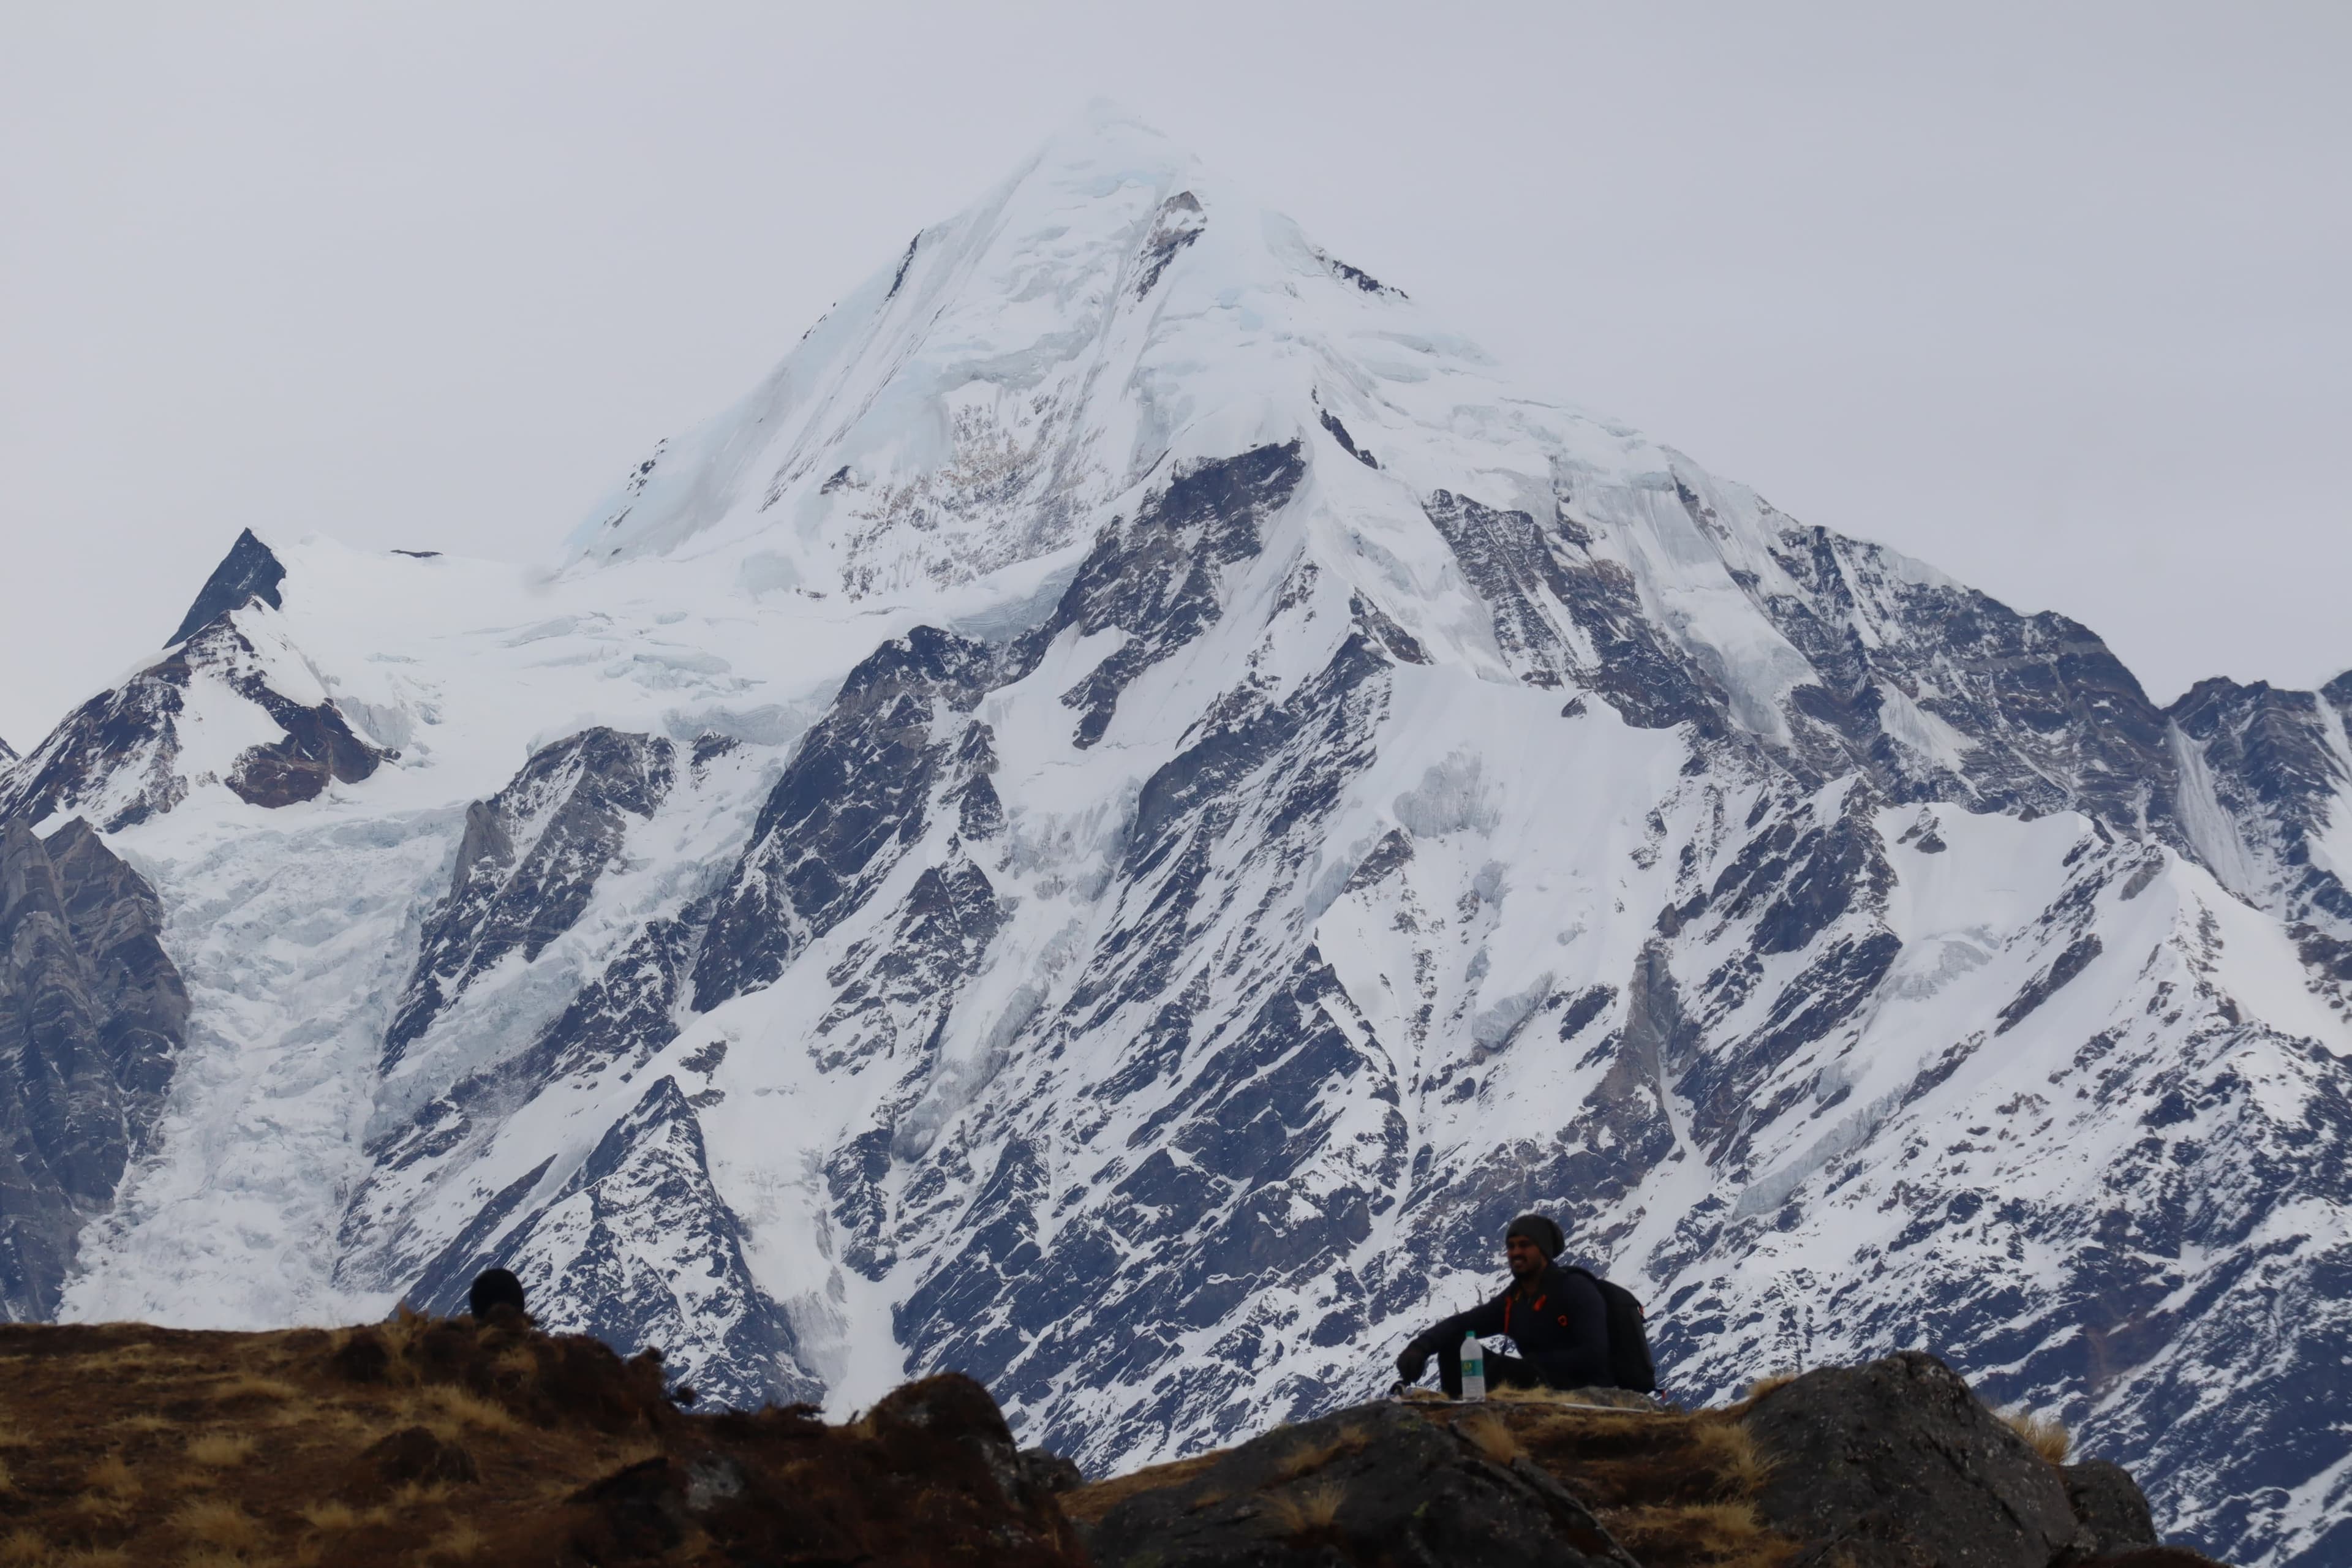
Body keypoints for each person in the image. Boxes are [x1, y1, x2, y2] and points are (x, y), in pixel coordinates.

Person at [1395, 1214, 1611, 1396]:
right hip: (1535, 1381)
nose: (1516, 1252)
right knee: (1454, 1346)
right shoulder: (1515, 1299)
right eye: (1511, 1246)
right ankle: (1461, 1413)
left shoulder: (1575, 1288)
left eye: (1525, 1245)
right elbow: (1465, 1323)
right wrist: (1420, 1347)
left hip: (1584, 1391)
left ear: (1543, 1251)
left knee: (1508, 1370)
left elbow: (1595, 1355)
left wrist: (1534, 1363)